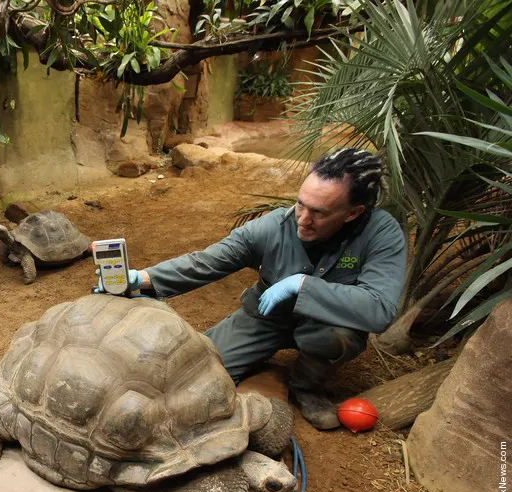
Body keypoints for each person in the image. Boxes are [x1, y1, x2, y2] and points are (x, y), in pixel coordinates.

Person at [106, 148, 407, 430]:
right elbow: (208, 262)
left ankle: (307, 386)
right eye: (300, 203)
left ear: (353, 213)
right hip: (266, 314)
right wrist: (144, 279)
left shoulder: (380, 233)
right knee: (200, 373)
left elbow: (378, 309)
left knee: (336, 337)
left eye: (320, 212)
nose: (302, 219)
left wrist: (303, 285)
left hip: (325, 323)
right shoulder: (275, 225)